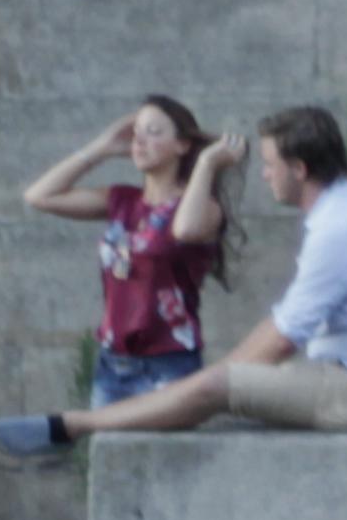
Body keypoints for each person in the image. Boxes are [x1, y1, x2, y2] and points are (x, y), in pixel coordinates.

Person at [0, 104, 347, 458]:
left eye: (271, 165)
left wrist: (210, 385)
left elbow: (282, 338)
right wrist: (102, 148)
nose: (265, 174)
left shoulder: (338, 229)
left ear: (300, 169)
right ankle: (80, 425)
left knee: (217, 388)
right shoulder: (341, 214)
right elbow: (279, 327)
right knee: (219, 386)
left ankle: (68, 426)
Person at [19, 95, 234, 411]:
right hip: (113, 364)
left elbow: (185, 229)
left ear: (182, 145)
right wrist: (101, 148)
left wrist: (205, 165)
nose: (140, 141)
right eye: (136, 134)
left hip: (170, 363)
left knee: (165, 460)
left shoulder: (204, 209)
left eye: (154, 132)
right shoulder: (122, 200)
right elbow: (39, 196)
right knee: (108, 459)